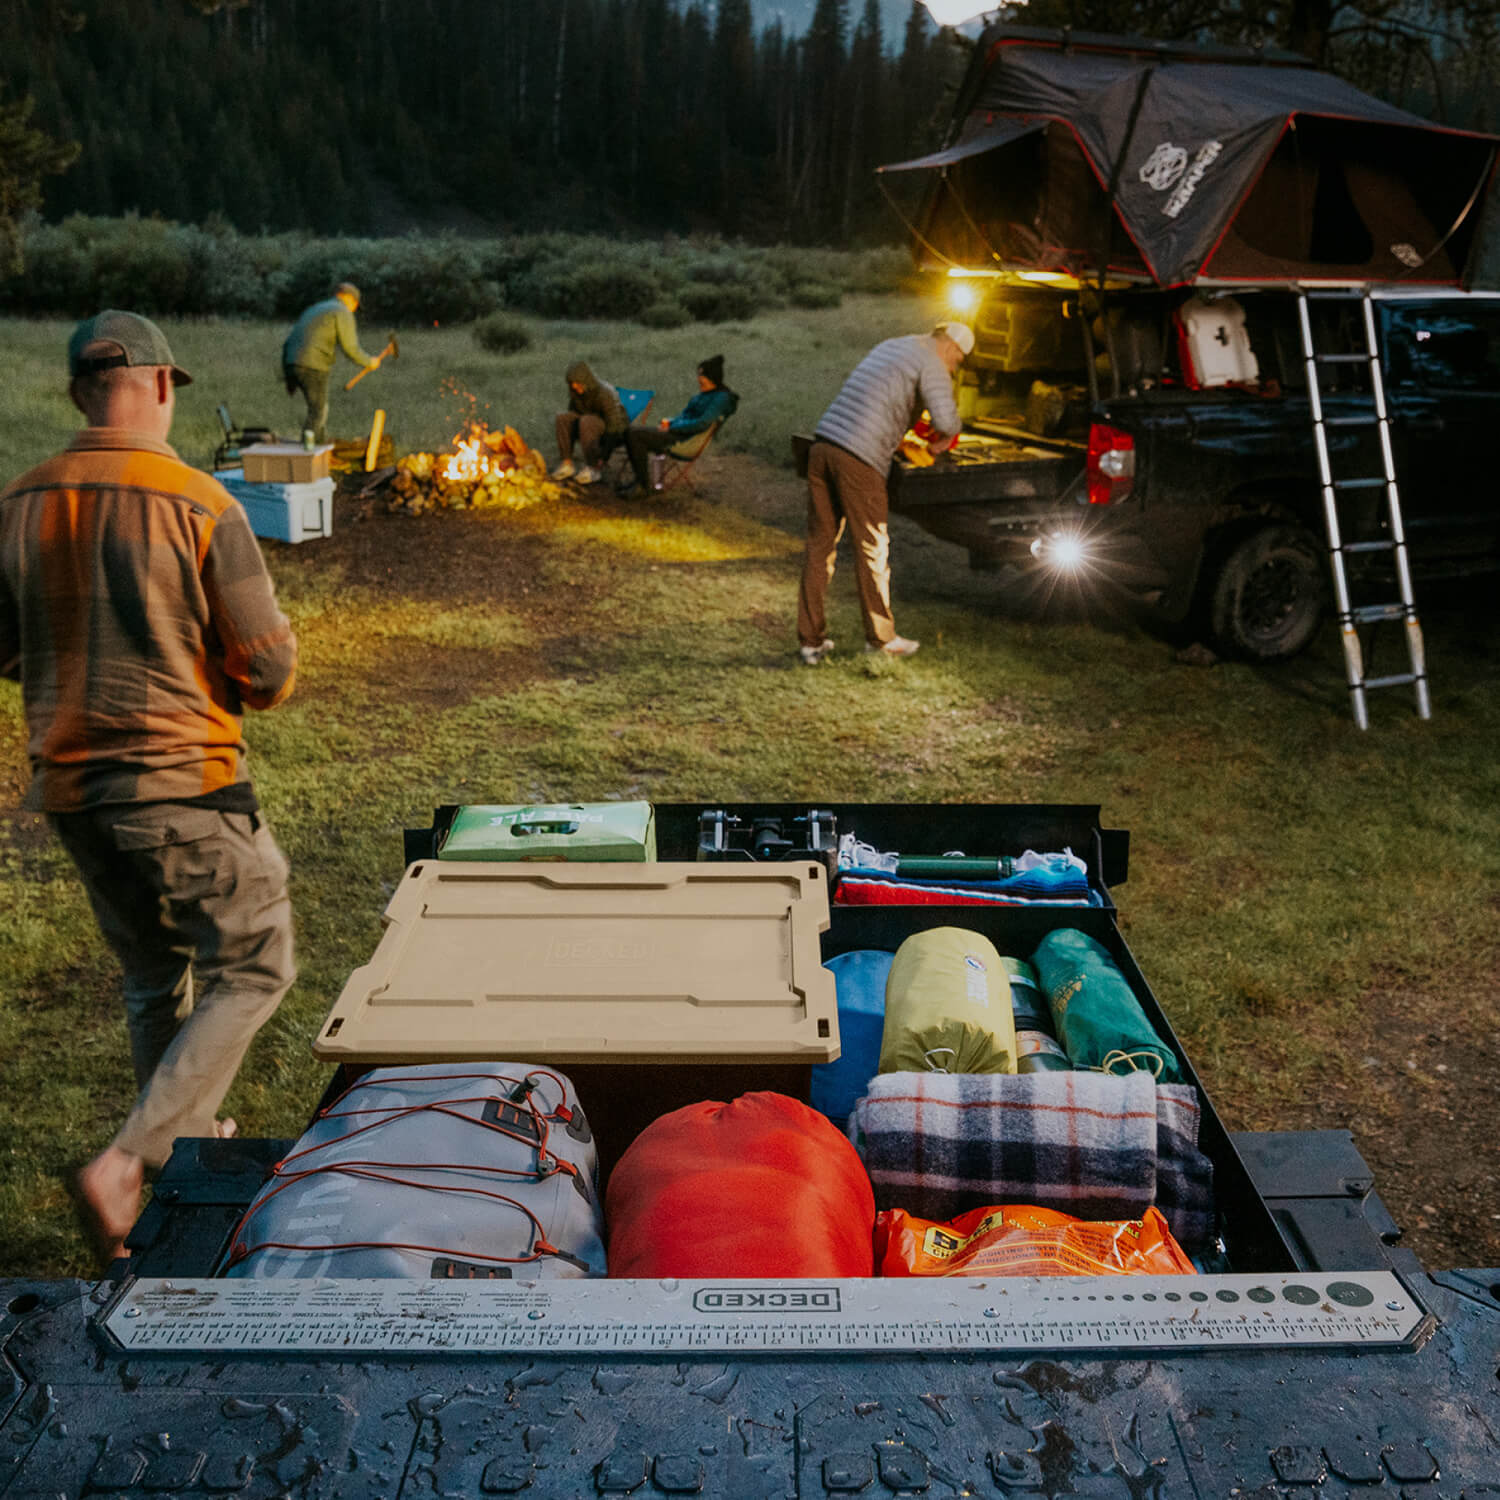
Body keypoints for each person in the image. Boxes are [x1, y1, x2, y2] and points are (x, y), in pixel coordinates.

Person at [0, 310, 299, 1265]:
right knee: (256, 961)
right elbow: (267, 670)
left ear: (81, 389)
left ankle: (175, 1160)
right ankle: (131, 1160)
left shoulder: (19, 500)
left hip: (73, 790)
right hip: (182, 784)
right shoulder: (198, 501)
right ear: (162, 385)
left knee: (151, 977)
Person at [796, 321, 974, 664]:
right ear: (952, 347)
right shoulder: (934, 361)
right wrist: (941, 441)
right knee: (872, 547)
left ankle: (810, 641)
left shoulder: (896, 344)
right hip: (859, 458)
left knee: (820, 546)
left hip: (823, 445)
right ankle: (881, 639)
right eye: (958, 362)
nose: (953, 368)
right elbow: (947, 421)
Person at [617, 354, 739, 498]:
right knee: (631, 431)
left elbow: (702, 423)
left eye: (702, 377)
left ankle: (643, 486)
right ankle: (639, 482)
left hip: (686, 441)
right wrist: (670, 422)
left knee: (635, 434)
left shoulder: (721, 399)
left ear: (713, 378)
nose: (699, 380)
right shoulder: (702, 395)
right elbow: (684, 417)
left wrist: (672, 427)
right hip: (677, 433)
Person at [281, 281, 379, 444]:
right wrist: (369, 362)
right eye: (355, 305)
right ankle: (308, 456)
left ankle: (318, 449)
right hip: (313, 364)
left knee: (317, 410)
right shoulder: (342, 311)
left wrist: (289, 375)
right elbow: (350, 347)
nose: (354, 310)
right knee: (318, 411)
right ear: (350, 299)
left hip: (292, 362)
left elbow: (291, 339)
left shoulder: (317, 308)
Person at [553, 360, 628, 485]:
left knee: (586, 421)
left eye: (577, 383)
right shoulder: (576, 393)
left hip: (610, 429)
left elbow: (615, 424)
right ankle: (567, 464)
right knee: (562, 417)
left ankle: (592, 468)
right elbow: (573, 413)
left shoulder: (604, 393)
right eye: (572, 383)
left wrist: (604, 456)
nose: (574, 386)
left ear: (586, 380)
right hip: (587, 424)